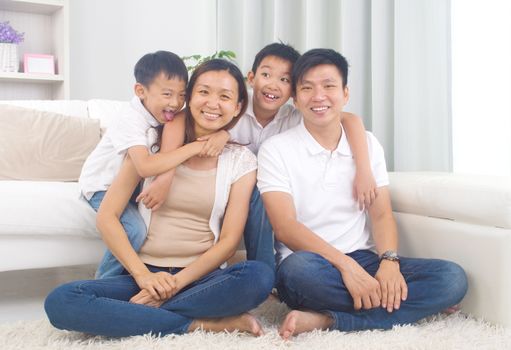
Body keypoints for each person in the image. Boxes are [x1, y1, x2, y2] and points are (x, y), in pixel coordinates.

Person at [45, 59, 273, 337]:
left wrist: (174, 286)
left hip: (198, 277)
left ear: (237, 107)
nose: (213, 103)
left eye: (224, 96)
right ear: (189, 97)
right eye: (204, 92)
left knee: (258, 277)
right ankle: (197, 323)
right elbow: (107, 217)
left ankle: (140, 315)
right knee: (61, 301)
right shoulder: (148, 144)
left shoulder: (241, 162)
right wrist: (143, 276)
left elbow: (227, 243)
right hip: (145, 274)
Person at [257, 48, 468, 339]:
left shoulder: (367, 144)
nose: (319, 96)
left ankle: (328, 320)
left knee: (452, 279)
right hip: (311, 263)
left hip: (364, 258)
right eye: (307, 88)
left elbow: (381, 214)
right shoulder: (276, 149)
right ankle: (396, 306)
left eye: (329, 86)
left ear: (345, 94)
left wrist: (389, 263)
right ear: (296, 98)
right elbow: (285, 226)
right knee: (296, 272)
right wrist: (346, 268)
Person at [230, 43, 378, 272]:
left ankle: (265, 273)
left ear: (293, 93)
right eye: (266, 74)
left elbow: (349, 120)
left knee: (262, 192)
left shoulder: (296, 116)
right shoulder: (235, 106)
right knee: (257, 189)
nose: (273, 84)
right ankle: (265, 272)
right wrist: (220, 135)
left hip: (265, 191)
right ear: (251, 78)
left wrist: (364, 169)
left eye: (285, 80)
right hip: (228, 184)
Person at [79, 51, 226, 279]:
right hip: (102, 185)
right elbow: (145, 167)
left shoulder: (166, 115)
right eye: (167, 94)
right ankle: (104, 281)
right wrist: (195, 147)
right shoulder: (130, 119)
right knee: (134, 230)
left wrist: (222, 134)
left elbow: (205, 116)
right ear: (140, 91)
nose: (175, 103)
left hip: (133, 187)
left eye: (181, 95)